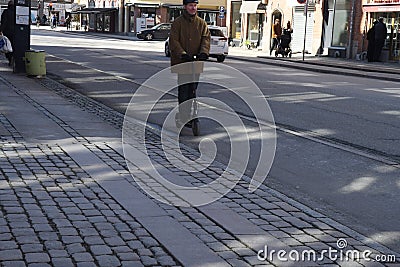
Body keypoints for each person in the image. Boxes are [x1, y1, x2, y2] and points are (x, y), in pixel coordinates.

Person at [169, 0, 210, 125]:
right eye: (191, 5)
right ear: (185, 7)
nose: (193, 8)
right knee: (184, 90)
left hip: (196, 63)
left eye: (195, 5)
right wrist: (182, 54)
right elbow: (174, 41)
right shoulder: (177, 23)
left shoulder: (201, 23)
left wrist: (204, 52)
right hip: (182, 63)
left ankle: (191, 114)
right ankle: (183, 115)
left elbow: (206, 39)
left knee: (193, 90)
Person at [0, 1, 15, 66]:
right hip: (15, 33)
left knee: (6, 46)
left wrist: (1, 30)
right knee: (13, 45)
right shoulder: (16, 12)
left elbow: (4, 22)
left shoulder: (6, 12)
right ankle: (13, 57)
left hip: (7, 32)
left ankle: (9, 58)